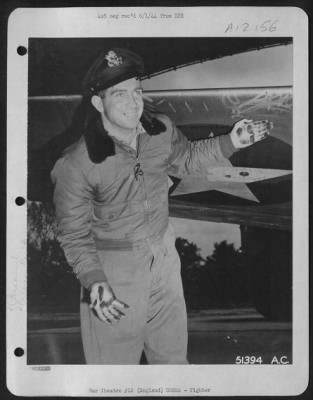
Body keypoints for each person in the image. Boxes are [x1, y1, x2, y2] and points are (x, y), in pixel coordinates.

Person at [51, 47, 270, 364]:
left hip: (164, 260)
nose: (133, 102)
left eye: (137, 91)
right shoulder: (75, 162)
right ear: (98, 102)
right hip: (114, 270)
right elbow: (73, 235)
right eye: (120, 94)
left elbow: (187, 160)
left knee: (174, 367)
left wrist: (232, 141)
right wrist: (94, 280)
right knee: (113, 376)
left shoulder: (160, 131)